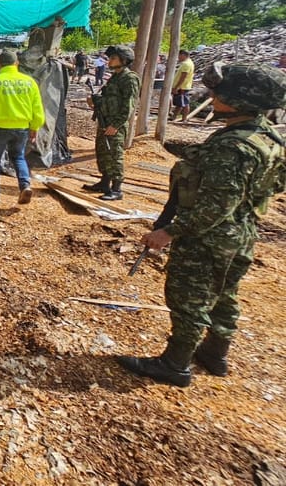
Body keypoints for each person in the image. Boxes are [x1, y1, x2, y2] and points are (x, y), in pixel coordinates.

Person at [116, 63, 286, 387]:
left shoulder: (232, 146)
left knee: (189, 299)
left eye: (218, 92)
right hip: (243, 232)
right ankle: (214, 354)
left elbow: (216, 207)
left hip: (209, 237)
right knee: (225, 295)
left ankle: (175, 364)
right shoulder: (267, 136)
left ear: (239, 100)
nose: (211, 95)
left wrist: (169, 232)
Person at [0, 51, 45, 204]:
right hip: (21, 128)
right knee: (18, 157)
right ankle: (25, 186)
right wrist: (35, 126)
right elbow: (37, 108)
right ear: (17, 63)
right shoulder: (29, 82)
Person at [85, 45, 141, 200]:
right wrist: (95, 101)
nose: (110, 61)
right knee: (103, 154)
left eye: (114, 58)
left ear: (124, 60)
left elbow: (129, 105)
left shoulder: (129, 78)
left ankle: (116, 189)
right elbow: (110, 98)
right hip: (105, 121)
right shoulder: (115, 78)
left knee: (115, 154)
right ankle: (104, 182)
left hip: (115, 124)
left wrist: (116, 125)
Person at [171, 49, 194, 123]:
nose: (178, 57)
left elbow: (183, 76)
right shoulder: (189, 63)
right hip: (183, 86)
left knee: (184, 103)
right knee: (180, 103)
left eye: (179, 55)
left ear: (183, 55)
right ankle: (174, 117)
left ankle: (184, 119)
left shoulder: (186, 64)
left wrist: (177, 87)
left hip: (182, 87)